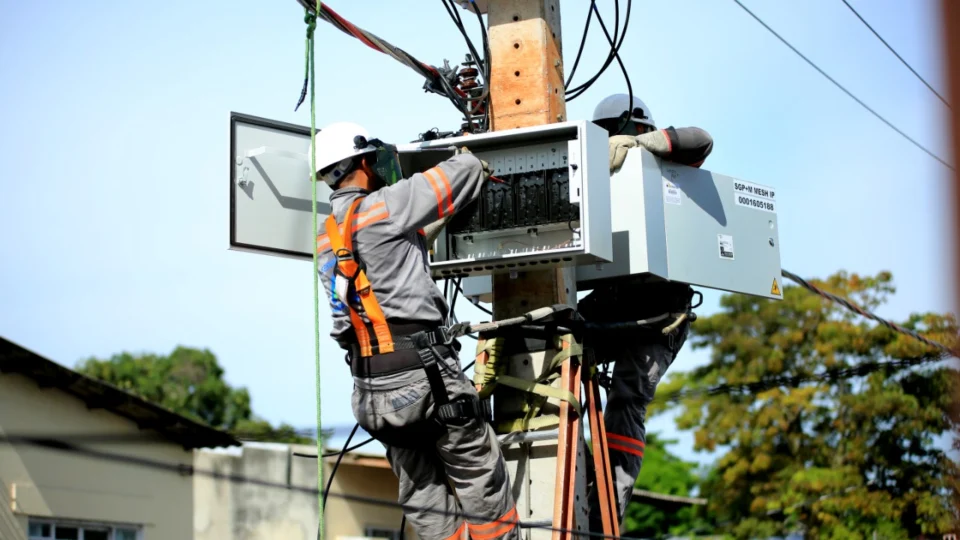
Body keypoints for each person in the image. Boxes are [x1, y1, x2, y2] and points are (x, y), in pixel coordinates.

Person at [312, 121, 520, 540]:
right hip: (424, 377)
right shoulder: (389, 204)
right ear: (364, 162)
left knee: (423, 496)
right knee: (479, 477)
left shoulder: (324, 237)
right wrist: (466, 151)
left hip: (371, 393)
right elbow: (461, 173)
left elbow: (346, 320)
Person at [579, 93, 713, 530]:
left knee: (627, 398)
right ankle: (567, 485)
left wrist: (642, 146)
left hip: (658, 314)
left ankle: (606, 516)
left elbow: (701, 139)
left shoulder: (667, 168)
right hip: (612, 303)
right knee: (548, 356)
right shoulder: (595, 173)